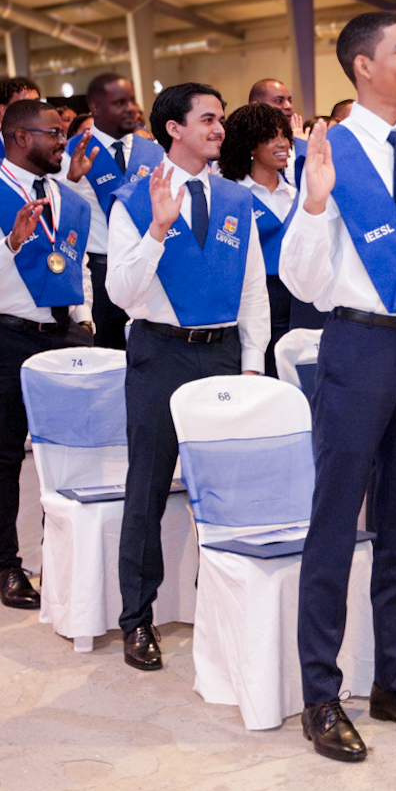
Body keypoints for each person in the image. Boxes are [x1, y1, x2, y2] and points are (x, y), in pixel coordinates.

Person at [279, 12, 396, 763]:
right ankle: (321, 695)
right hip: (357, 344)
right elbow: (302, 280)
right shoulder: (329, 151)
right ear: (363, 65)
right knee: (334, 520)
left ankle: (395, 678)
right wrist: (315, 202)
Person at [109, 82, 268, 671]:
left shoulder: (235, 198)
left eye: (220, 118)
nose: (219, 128)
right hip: (161, 354)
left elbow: (253, 289)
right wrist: (156, 230)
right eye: (206, 118)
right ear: (173, 129)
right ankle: (137, 618)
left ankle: (222, 610)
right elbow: (120, 293)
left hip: (223, 354)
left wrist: (252, 363)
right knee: (147, 488)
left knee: (224, 490)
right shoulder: (133, 199)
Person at [0, 99, 94, 613]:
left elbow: (78, 264)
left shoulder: (67, 197)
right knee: (5, 452)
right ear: (20, 137)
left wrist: (85, 319)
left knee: (67, 453)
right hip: (5, 335)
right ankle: (5, 566)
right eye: (54, 133)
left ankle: (59, 555)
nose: (63, 142)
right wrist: (9, 244)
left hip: (63, 335)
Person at [64, 74, 162, 351]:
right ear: (95, 107)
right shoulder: (70, 152)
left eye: (130, 101)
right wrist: (71, 180)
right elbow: (59, 211)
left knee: (148, 348)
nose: (129, 109)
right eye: (119, 102)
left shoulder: (154, 151)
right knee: (106, 352)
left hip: (147, 264)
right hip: (98, 268)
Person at [219, 102, 302, 375]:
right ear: (250, 145)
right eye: (271, 137)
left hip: (299, 301)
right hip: (255, 298)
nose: (283, 144)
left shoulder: (298, 194)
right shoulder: (230, 196)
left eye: (285, 135)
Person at [249, 77, 308, 186]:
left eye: (290, 101)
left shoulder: (299, 144)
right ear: (256, 106)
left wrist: (303, 144)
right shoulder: (242, 146)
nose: (288, 106)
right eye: (279, 101)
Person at [0, 78, 39, 159]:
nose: (34, 109)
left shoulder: (48, 146)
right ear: (3, 110)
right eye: (25, 104)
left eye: (37, 103)